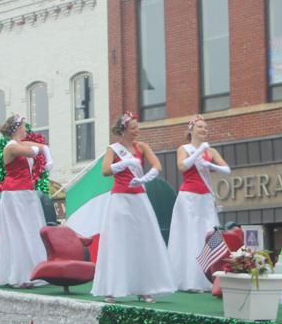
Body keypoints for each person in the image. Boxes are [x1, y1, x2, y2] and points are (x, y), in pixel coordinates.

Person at [91, 112, 176, 303]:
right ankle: (112, 288)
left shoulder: (142, 147)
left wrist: (145, 178)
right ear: (123, 130)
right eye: (133, 128)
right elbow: (105, 171)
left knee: (143, 240)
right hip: (119, 199)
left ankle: (145, 287)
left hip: (139, 198)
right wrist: (124, 164)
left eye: (137, 127)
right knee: (117, 241)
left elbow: (157, 166)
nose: (137, 131)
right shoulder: (113, 149)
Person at [167, 115, 231, 291]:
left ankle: (211, 277)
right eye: (200, 127)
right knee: (191, 234)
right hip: (189, 198)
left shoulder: (210, 151)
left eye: (206, 128)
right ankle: (190, 280)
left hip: (205, 198)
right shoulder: (184, 148)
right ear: (191, 130)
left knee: (210, 233)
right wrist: (197, 153)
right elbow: (182, 166)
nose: (204, 130)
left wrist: (212, 165)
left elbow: (226, 169)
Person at [0, 114, 53, 287]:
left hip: (26, 193)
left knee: (31, 230)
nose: (26, 129)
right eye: (23, 126)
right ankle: (19, 276)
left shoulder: (19, 144)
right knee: (19, 233)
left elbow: (43, 147)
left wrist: (49, 157)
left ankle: (33, 272)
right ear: (17, 128)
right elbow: (33, 151)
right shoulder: (11, 147)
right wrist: (40, 150)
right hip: (14, 196)